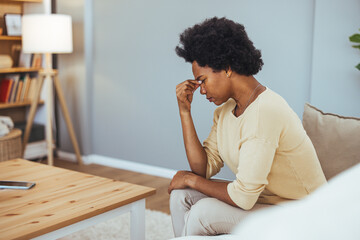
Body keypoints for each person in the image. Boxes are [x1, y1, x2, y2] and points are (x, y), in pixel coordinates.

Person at [168, 17, 327, 237]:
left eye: (202, 80)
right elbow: (202, 169)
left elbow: (242, 196)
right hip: (264, 203)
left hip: (302, 214)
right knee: (181, 195)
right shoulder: (225, 112)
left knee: (202, 212)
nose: (201, 90)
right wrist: (185, 112)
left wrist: (190, 179)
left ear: (226, 68)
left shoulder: (265, 111)